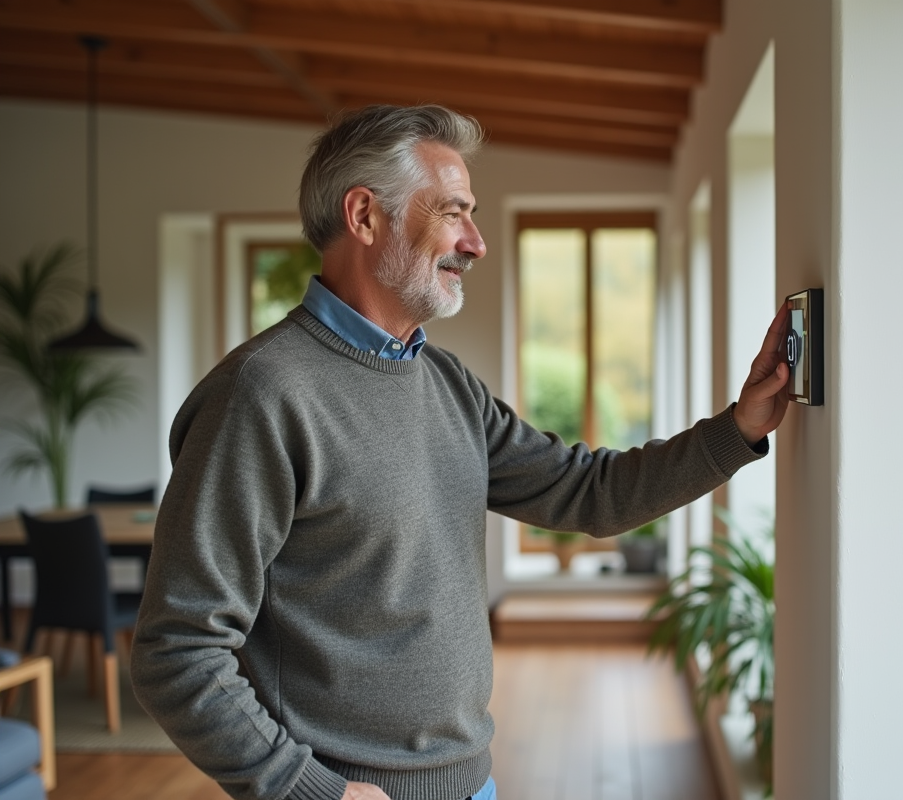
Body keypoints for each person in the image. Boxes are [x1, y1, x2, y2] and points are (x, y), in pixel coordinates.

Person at [130, 104, 791, 800]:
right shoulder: (261, 394)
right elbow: (177, 649)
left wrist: (738, 429)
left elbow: (587, 490)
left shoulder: (445, 383)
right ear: (364, 217)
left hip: (473, 784)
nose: (475, 242)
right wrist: (308, 790)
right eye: (453, 212)